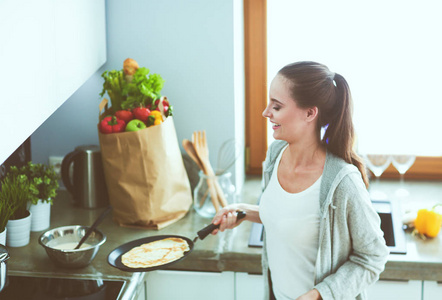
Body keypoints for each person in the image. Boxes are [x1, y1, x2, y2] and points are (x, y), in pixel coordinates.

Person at [211, 61, 389, 300]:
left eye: (276, 106)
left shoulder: (342, 183)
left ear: (309, 113)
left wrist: (319, 294)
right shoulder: (275, 154)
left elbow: (373, 257)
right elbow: (289, 217)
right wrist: (242, 211)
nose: (266, 112)